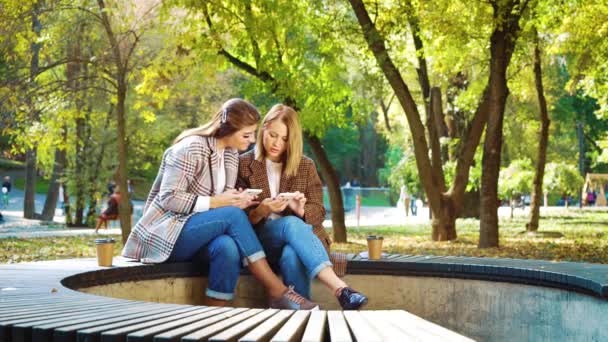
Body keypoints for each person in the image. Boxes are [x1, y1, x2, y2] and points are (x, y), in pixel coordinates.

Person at [122, 98, 317, 310]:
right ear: (227, 129)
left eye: (253, 133)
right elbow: (168, 197)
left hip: (202, 233)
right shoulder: (190, 148)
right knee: (233, 216)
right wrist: (218, 202)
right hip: (168, 232)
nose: (253, 140)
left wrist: (238, 199)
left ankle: (215, 316)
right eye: (246, 135)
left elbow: (220, 203)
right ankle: (277, 290)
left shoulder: (231, 155)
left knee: (227, 247)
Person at [238, 104, 368, 310]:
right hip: (260, 242)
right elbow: (237, 219)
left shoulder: (304, 166)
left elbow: (319, 211)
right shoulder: (243, 164)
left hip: (300, 241)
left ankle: (299, 314)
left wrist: (302, 210)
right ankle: (341, 289)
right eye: (273, 135)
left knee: (292, 254)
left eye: (285, 139)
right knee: (289, 223)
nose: (277, 143)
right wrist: (262, 210)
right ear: (264, 128)